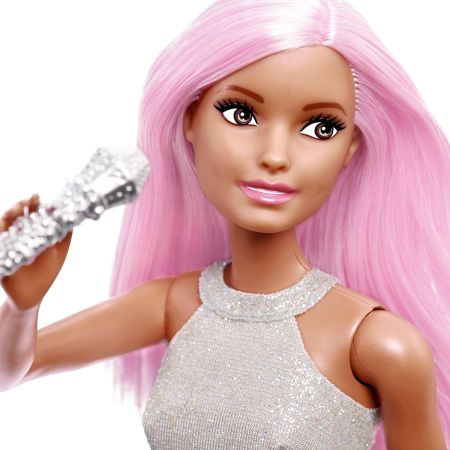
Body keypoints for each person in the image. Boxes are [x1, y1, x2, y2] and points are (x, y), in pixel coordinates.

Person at [1, 0, 449, 448]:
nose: (275, 155)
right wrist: (22, 308)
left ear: (350, 147)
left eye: (320, 128)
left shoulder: (379, 344)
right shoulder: (176, 304)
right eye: (241, 114)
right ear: (191, 119)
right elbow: (12, 370)